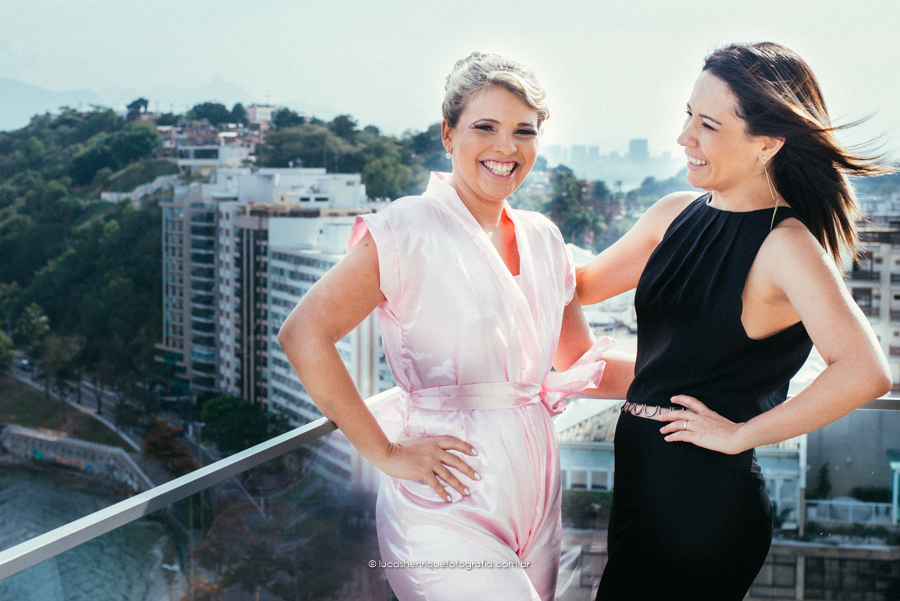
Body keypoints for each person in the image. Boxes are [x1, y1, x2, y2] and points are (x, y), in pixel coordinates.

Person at [278, 52, 634, 601]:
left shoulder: (544, 238)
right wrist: (386, 453)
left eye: (524, 131)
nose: (506, 147)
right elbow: (303, 334)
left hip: (535, 495)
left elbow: (581, 361)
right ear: (448, 134)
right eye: (485, 127)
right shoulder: (407, 228)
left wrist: (712, 381)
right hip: (442, 501)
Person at [575, 42, 893, 600]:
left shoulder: (787, 247)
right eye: (688, 116)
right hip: (641, 479)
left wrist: (742, 434)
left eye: (708, 125)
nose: (684, 137)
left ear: (767, 143)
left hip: (701, 503)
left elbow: (866, 372)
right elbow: (576, 287)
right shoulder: (674, 213)